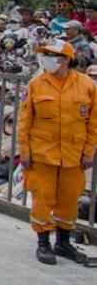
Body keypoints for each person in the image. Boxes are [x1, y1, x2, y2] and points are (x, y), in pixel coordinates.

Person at [18, 39, 97, 264]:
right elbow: (25, 120)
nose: (45, 59)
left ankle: (63, 242)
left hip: (74, 153)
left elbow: (93, 122)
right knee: (42, 197)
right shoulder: (37, 83)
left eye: (49, 55)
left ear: (64, 60)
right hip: (42, 152)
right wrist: (25, 150)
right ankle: (43, 243)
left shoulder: (87, 85)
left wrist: (88, 152)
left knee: (69, 199)